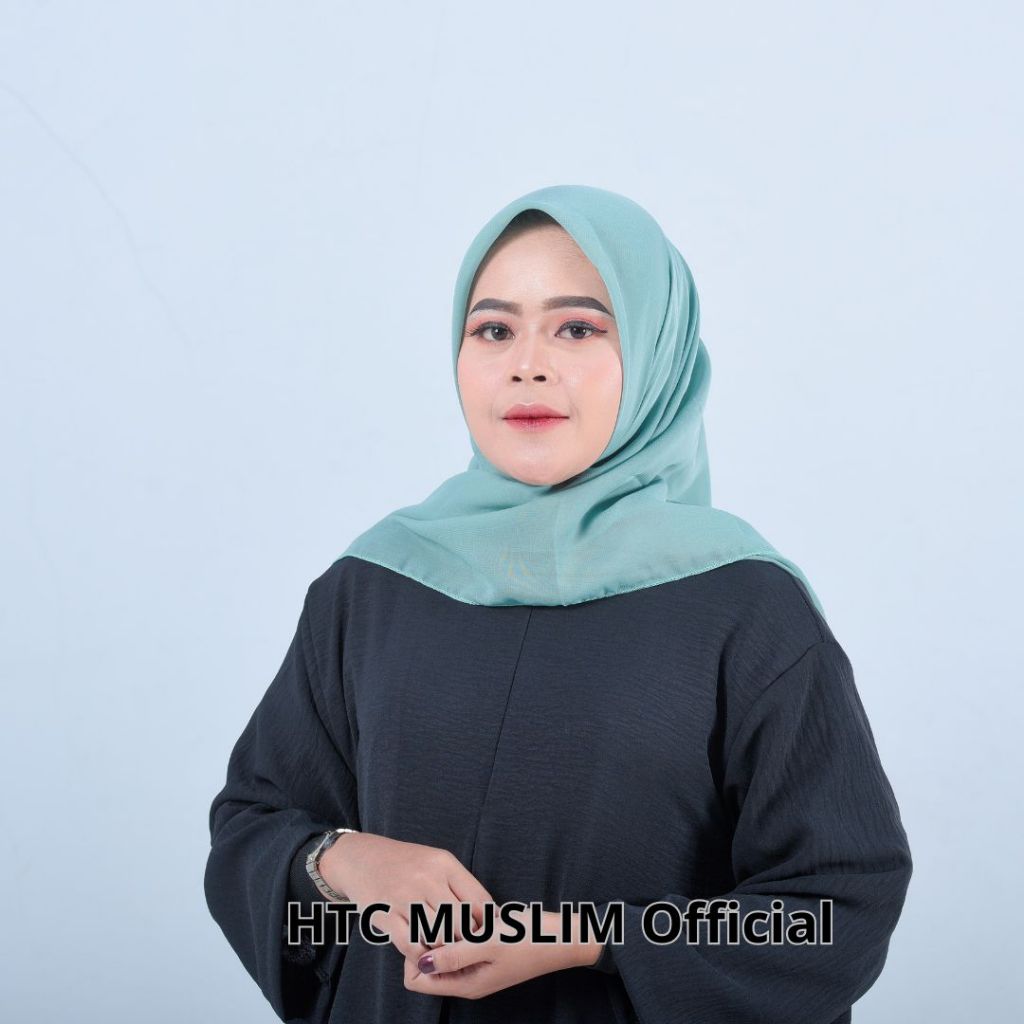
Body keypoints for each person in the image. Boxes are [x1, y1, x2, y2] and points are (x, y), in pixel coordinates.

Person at [204, 184, 912, 1024]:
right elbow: (252, 830)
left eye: (578, 328)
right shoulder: (373, 587)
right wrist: (341, 862)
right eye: (493, 330)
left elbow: (834, 911)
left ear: (654, 352)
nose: (526, 365)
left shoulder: (745, 607)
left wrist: (590, 937)